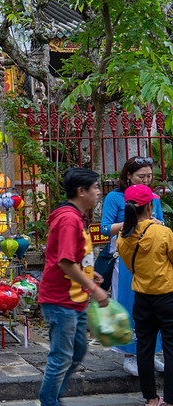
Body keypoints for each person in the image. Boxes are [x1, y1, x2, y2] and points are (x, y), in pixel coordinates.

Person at [38, 167, 109, 406]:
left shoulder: (77, 216)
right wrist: (95, 288)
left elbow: (74, 257)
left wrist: (90, 272)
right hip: (60, 301)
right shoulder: (69, 219)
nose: (99, 192)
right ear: (81, 191)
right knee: (61, 357)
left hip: (75, 299)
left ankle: (52, 396)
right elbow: (66, 262)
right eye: (96, 188)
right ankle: (49, 402)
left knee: (76, 353)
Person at [100, 156, 166, 376]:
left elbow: (161, 222)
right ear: (128, 176)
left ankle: (152, 353)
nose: (146, 180)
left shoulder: (153, 198)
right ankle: (129, 355)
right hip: (126, 257)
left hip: (152, 257)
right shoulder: (114, 198)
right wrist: (133, 222)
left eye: (149, 176)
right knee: (128, 304)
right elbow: (105, 229)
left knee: (154, 305)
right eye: (141, 176)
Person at [117, 185, 173, 406]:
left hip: (142, 298)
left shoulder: (124, 236)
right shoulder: (163, 233)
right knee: (170, 348)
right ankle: (170, 401)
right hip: (167, 296)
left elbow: (132, 267)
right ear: (150, 206)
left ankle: (151, 399)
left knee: (144, 347)